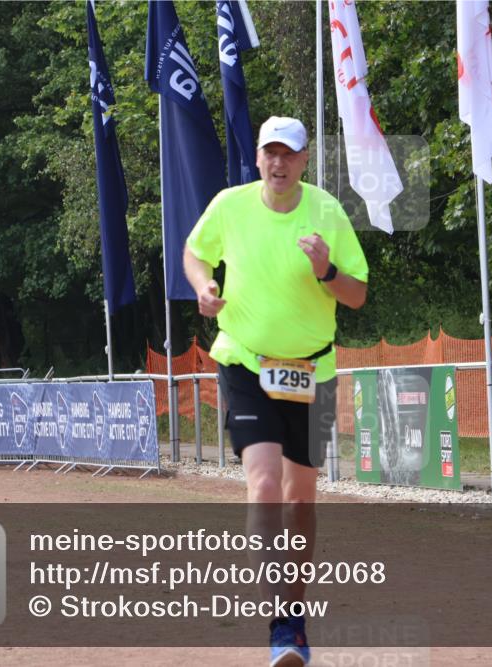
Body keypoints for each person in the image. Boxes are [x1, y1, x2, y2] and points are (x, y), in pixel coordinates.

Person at [184, 116, 368, 667]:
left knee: (300, 500)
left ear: (306, 159)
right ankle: (282, 628)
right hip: (245, 362)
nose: (279, 164)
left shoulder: (328, 213)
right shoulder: (230, 205)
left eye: (289, 154)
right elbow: (195, 253)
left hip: (314, 371)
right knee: (264, 486)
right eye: (270, 153)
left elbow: (356, 295)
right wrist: (205, 287)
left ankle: (295, 612)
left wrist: (326, 269)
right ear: (258, 158)